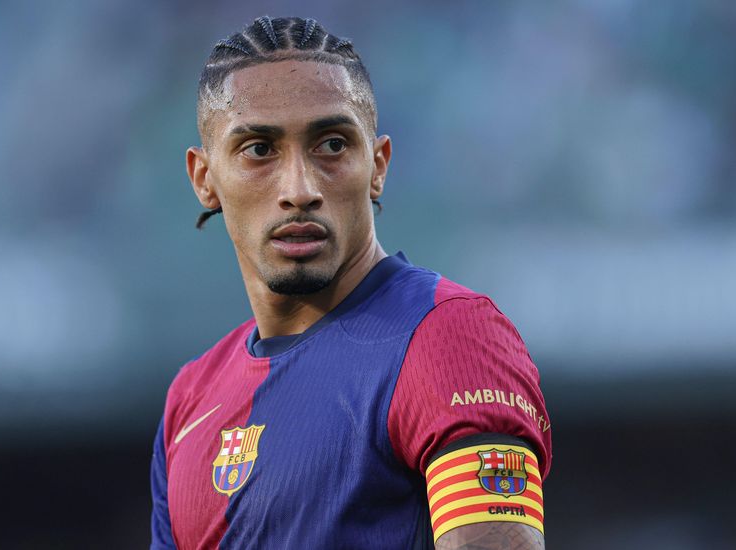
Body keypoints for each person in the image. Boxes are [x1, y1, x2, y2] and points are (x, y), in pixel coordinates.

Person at [151, 16, 552, 550]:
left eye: (332, 144)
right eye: (259, 150)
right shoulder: (190, 399)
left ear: (378, 164)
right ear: (205, 178)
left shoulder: (448, 337)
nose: (299, 188)